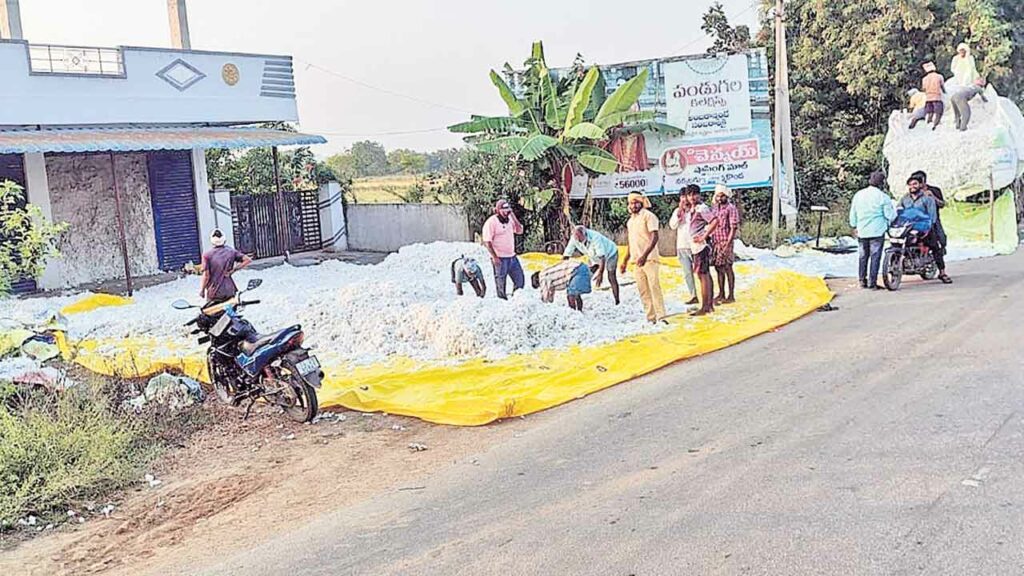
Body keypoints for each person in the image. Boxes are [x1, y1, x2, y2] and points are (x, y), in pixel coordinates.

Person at [619, 191, 666, 323]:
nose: (633, 206)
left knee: (654, 287)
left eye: (636, 202)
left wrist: (644, 255)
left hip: (649, 258)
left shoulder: (649, 216)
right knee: (643, 290)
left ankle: (661, 316)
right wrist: (624, 261)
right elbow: (631, 242)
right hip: (636, 261)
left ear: (641, 203)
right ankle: (650, 317)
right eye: (631, 203)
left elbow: (654, 236)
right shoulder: (630, 221)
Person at [849, 171, 897, 289]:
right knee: (875, 257)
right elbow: (890, 216)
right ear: (882, 183)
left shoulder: (858, 195)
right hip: (877, 231)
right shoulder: (883, 197)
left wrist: (854, 225)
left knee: (862, 256)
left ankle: (862, 280)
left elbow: (853, 214)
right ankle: (872, 282)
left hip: (862, 231)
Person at [900, 175, 952, 284]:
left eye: (915, 184)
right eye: (910, 184)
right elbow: (899, 210)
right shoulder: (905, 198)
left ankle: (942, 272)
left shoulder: (928, 198)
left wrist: (928, 228)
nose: (912, 186)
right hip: (909, 228)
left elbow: (932, 216)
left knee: (935, 247)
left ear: (921, 184)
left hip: (925, 227)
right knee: (901, 244)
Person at [563, 225, 621, 305]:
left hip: (610, 254)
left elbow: (602, 258)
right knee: (583, 275)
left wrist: (600, 274)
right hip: (593, 256)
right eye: (576, 238)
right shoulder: (574, 238)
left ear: (585, 234)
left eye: (580, 238)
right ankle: (578, 298)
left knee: (611, 277)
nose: (578, 240)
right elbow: (567, 253)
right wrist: (563, 268)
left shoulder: (595, 237)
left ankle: (617, 301)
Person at [482, 199, 525, 300]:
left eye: (508, 210)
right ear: (498, 211)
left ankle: (516, 299)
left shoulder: (510, 220)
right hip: (500, 258)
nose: (506, 213)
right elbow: (487, 242)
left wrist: (513, 216)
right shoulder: (491, 222)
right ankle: (502, 303)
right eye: (504, 210)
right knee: (501, 284)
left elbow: (519, 231)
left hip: (512, 257)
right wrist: (494, 257)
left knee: (520, 281)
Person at [687, 186, 719, 316]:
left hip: (701, 246)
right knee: (703, 274)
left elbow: (715, 221)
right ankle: (708, 304)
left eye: (695, 194)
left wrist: (704, 236)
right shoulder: (692, 209)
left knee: (703, 275)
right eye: (690, 195)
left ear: (699, 195)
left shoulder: (702, 208)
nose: (692, 197)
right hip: (695, 247)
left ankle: (705, 306)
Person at [200, 229, 253, 303]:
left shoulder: (207, 255)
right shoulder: (231, 251)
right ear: (224, 240)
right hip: (230, 290)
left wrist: (202, 290)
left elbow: (206, 276)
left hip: (214, 292)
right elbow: (248, 260)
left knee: (212, 312)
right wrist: (234, 269)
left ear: (212, 241)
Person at [710, 183, 741, 304]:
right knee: (718, 268)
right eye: (718, 196)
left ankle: (731, 295)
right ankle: (721, 293)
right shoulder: (715, 208)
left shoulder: (731, 208)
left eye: (722, 196)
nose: (719, 198)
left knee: (728, 267)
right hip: (716, 241)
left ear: (726, 196)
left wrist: (728, 244)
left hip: (725, 241)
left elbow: (733, 227)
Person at [668, 187, 699, 305]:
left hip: (695, 246)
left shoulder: (696, 209)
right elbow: (672, 225)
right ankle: (693, 295)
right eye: (682, 197)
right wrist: (679, 215)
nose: (684, 199)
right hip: (682, 246)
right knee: (687, 273)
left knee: (701, 272)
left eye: (686, 196)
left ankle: (706, 294)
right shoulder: (677, 211)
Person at [911, 170, 947, 254]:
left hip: (932, 219)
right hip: (916, 220)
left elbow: (942, 204)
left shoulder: (935, 190)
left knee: (940, 237)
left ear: (923, 181)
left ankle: (940, 251)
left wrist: (933, 196)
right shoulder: (913, 192)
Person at [910, 62, 945, 130]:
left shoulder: (924, 79)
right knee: (938, 112)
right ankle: (935, 125)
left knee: (930, 112)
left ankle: (929, 123)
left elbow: (924, 89)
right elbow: (942, 86)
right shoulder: (939, 76)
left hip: (928, 98)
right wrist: (944, 92)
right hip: (937, 97)